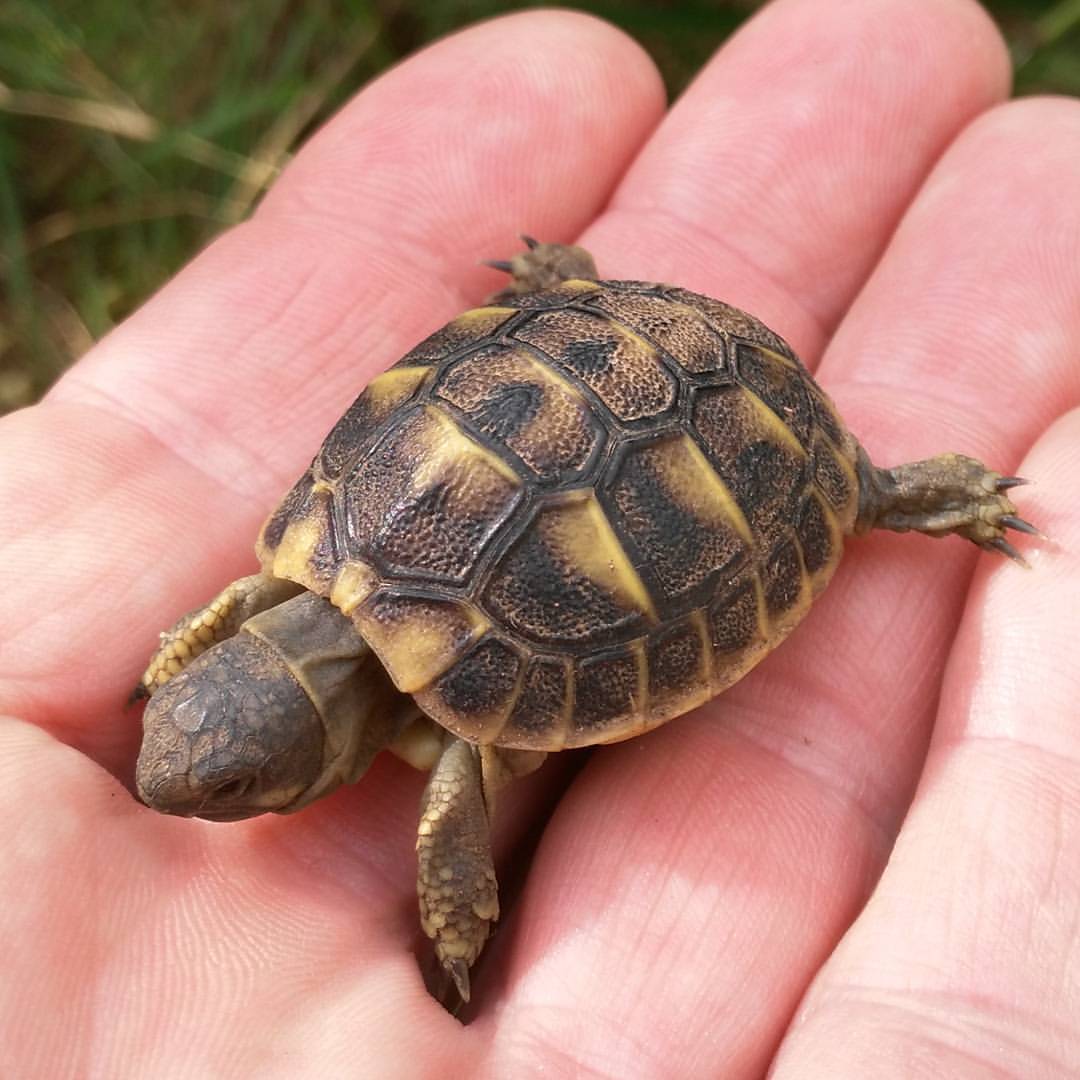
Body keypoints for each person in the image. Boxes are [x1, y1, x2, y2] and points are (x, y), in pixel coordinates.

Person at [2, 1, 1077, 1073]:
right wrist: (169, 666)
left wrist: (455, 924)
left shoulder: (439, 736)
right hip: (585, 342)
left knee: (837, 500)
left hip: (732, 424)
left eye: (233, 786)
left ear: (302, 761)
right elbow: (239, 604)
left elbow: (439, 822)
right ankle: (596, 312)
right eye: (220, 776)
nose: (185, 792)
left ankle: (876, 488)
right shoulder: (288, 579)